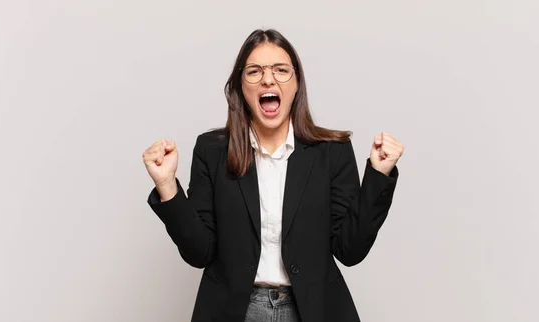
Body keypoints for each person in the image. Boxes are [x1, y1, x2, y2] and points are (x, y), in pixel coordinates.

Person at [142, 29, 404, 322]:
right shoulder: (212, 150)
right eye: (254, 71)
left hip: (312, 310)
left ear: (296, 84)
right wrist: (166, 185)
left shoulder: (332, 151)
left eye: (281, 70)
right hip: (234, 311)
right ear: (241, 86)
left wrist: (378, 176)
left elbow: (350, 250)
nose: (268, 79)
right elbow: (198, 253)